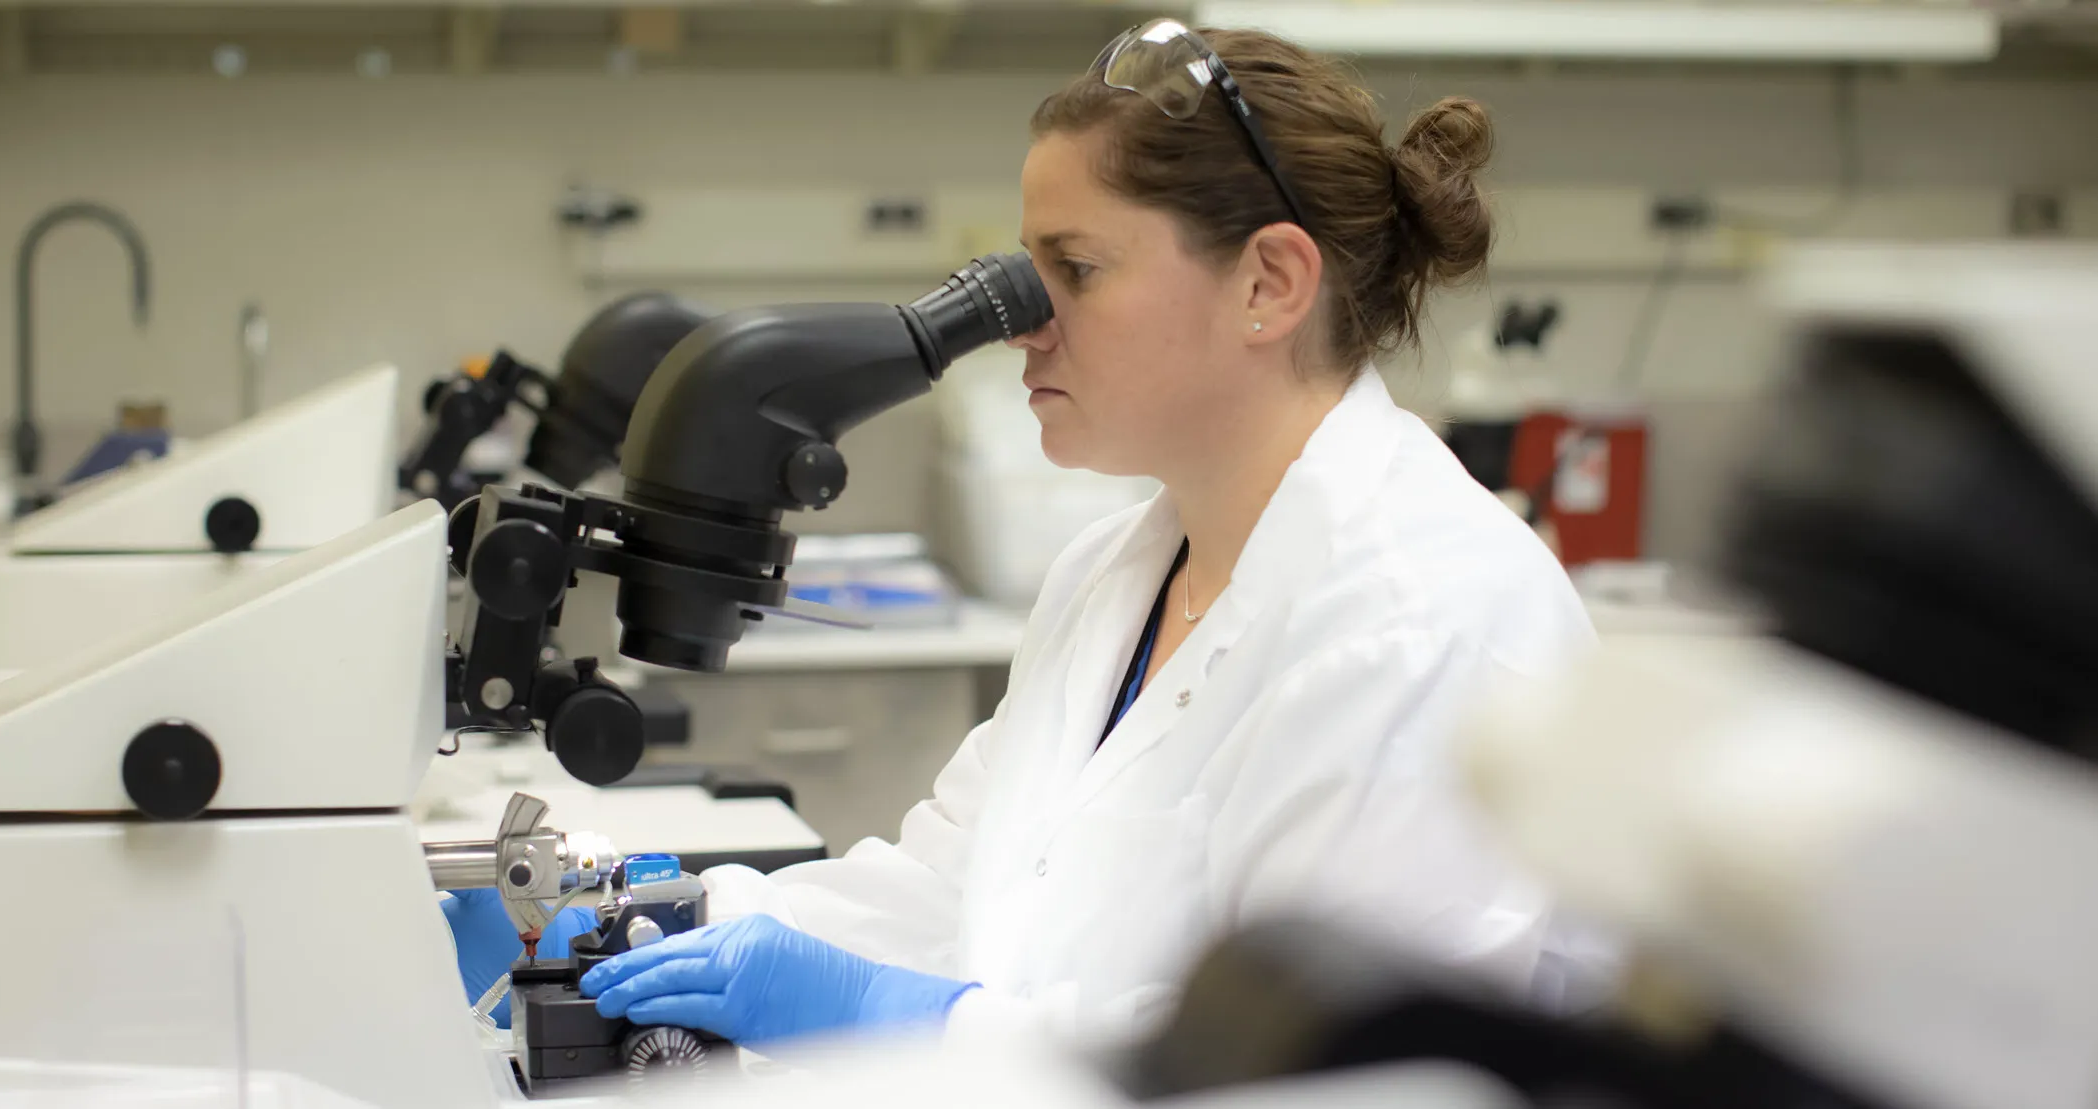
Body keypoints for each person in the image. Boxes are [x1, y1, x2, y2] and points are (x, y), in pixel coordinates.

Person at [446, 19, 1601, 1049]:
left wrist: (913, 1022)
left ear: (1268, 283)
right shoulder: (1115, 573)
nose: (1022, 325)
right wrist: (624, 920)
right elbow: (948, 892)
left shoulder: (1424, 618)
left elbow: (1322, 1073)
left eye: (1074, 271)